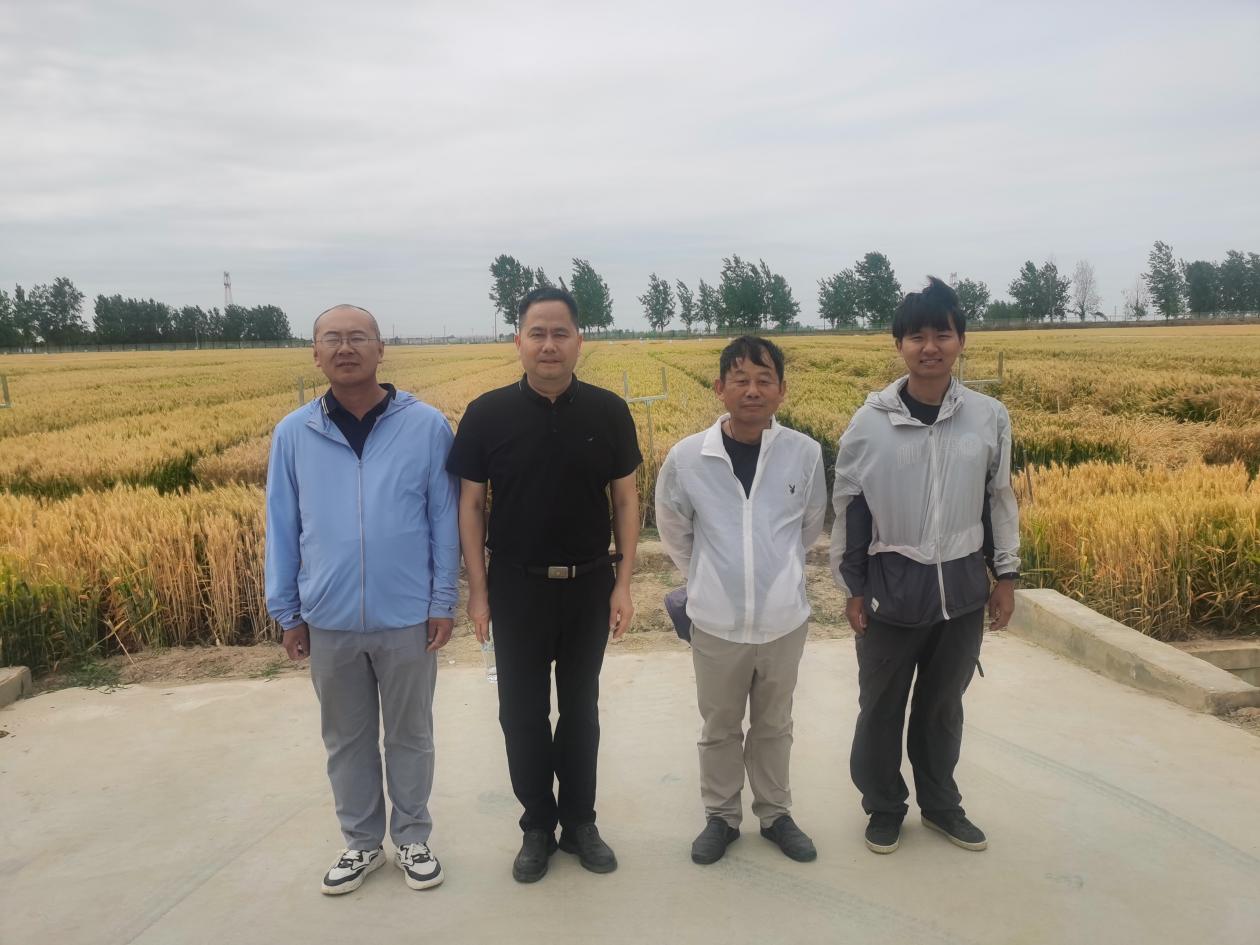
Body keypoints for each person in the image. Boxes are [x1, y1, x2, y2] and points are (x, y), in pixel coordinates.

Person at [446, 286, 641, 883]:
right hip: (516, 587)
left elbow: (626, 500)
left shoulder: (608, 411)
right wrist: (478, 592)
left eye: (560, 333)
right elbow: (471, 506)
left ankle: (581, 822)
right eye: (538, 333)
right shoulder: (486, 414)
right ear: (518, 342)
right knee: (522, 712)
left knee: (581, 709)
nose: (549, 345)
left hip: (588, 585)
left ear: (579, 340)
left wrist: (623, 582)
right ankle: (537, 825)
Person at [265, 304, 459, 895]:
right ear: (315, 354)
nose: (345, 348)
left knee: (410, 733)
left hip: (407, 615)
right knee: (345, 738)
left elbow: (444, 519)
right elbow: (282, 525)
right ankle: (361, 844)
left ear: (381, 348)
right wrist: (287, 611)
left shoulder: (426, 426)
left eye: (357, 337)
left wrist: (442, 600)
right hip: (328, 617)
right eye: (332, 339)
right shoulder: (294, 433)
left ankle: (413, 837)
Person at [830, 277, 1019, 856]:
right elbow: (850, 506)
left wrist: (1005, 576)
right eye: (917, 336)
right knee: (881, 708)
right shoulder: (870, 422)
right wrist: (852, 586)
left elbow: (998, 499)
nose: (930, 346)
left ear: (961, 341)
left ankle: (941, 806)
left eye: (943, 334)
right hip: (891, 590)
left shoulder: (987, 417)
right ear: (899, 346)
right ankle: (884, 807)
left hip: (961, 591)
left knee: (942, 709)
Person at [656, 336, 827, 866]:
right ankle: (721, 817)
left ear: (781, 390)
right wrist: (710, 578)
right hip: (716, 623)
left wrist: (777, 576)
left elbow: (808, 527)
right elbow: (674, 529)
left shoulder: (804, 453)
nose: (752, 390)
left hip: (783, 622)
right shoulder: (689, 457)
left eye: (764, 380)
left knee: (775, 725)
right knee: (720, 726)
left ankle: (775, 814)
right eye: (741, 380)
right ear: (720, 388)